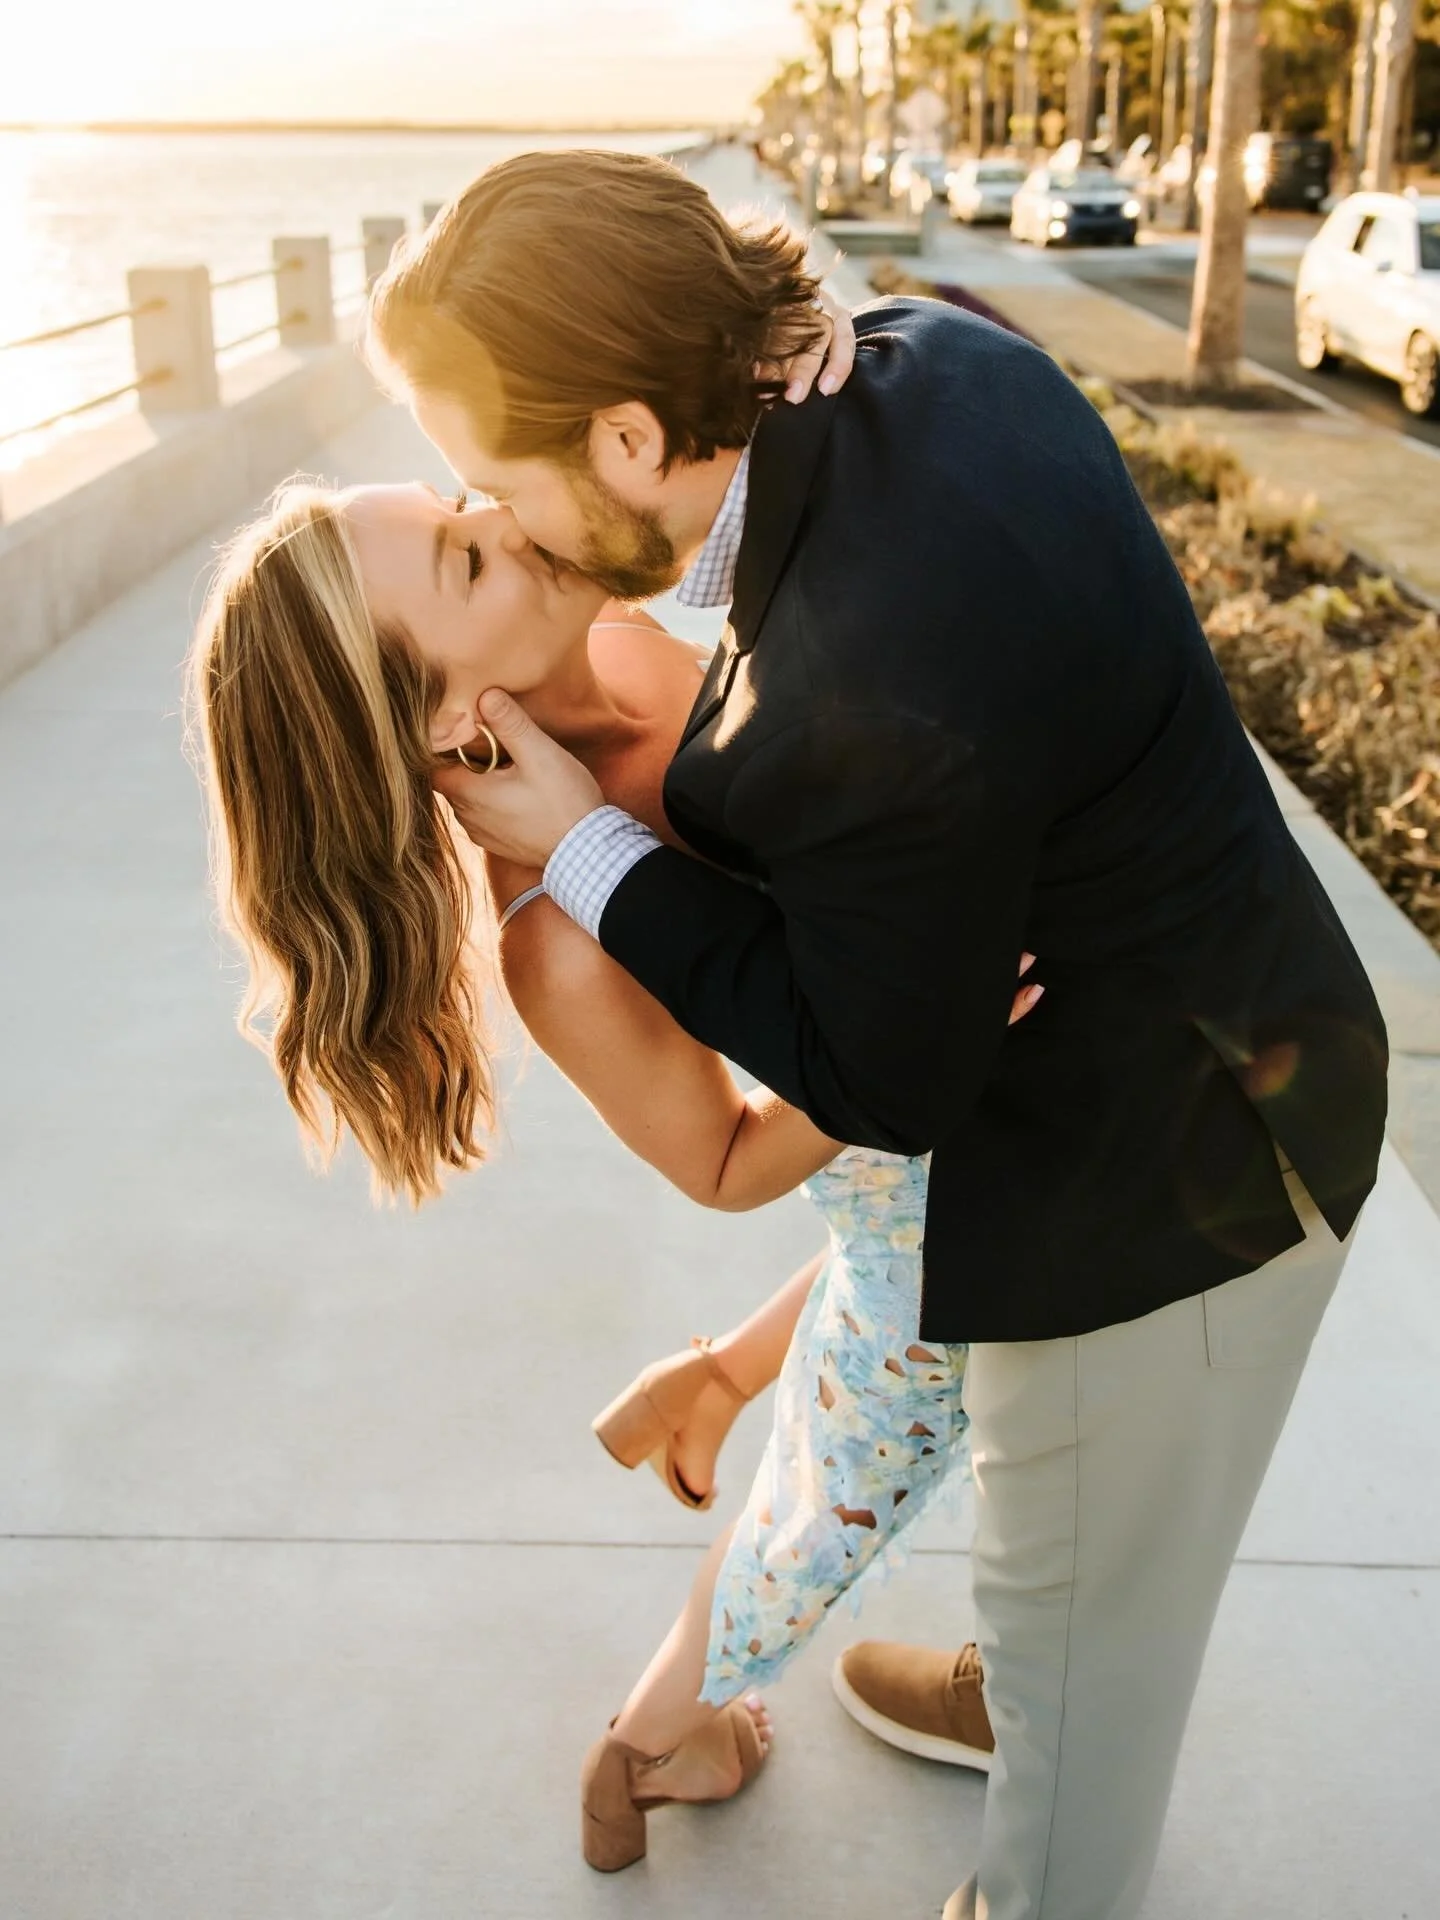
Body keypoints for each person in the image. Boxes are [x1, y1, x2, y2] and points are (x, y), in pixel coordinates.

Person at [363, 148, 1389, 1920]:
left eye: (490, 481)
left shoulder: (843, 685)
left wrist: (595, 852)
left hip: (1159, 1203)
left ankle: (1043, 1773)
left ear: (623, 438)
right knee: (1068, 1553)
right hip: (1202, 1057)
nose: (498, 517)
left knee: (1088, 1717)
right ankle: (1030, 1668)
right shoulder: (941, 354)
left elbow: (888, 1078)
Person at [187, 478, 1037, 1872]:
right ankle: (647, 1745)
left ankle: (711, 1382)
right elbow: (723, 1156)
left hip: (950, 1142)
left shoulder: (624, 634)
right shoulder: (558, 944)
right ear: (457, 726)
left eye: (456, 498)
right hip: (903, 1162)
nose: (507, 514)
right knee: (831, 1491)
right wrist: (923, 1024)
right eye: (468, 556)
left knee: (917, 1337)